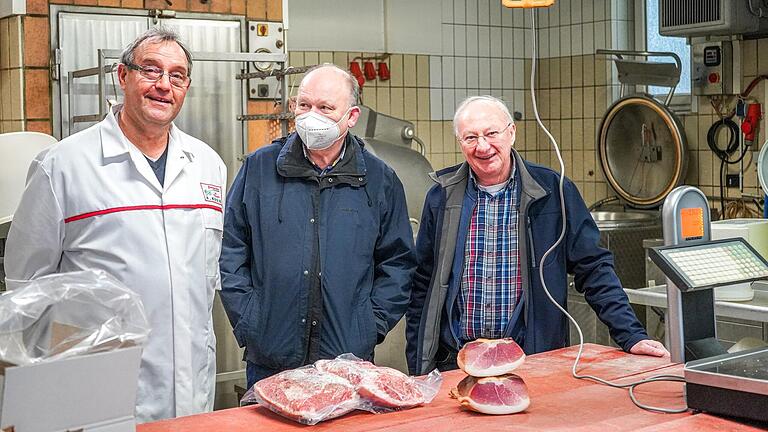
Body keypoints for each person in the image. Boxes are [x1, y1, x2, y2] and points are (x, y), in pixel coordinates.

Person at [4, 28, 226, 422]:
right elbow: (27, 288)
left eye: (177, 76)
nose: (163, 85)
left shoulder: (208, 165)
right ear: (122, 77)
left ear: (186, 86)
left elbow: (205, 279)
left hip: (193, 384)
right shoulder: (62, 166)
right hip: (97, 386)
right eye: (151, 70)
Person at [406, 96, 668, 375]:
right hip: (456, 362)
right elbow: (422, 283)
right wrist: (418, 365)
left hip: (533, 360)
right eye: (470, 137)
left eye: (492, 133)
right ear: (460, 142)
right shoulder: (442, 196)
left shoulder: (553, 191)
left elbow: (594, 269)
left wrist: (632, 335)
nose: (482, 146)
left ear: (512, 132)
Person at [219, 64, 416, 388]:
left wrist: (368, 326)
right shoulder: (259, 169)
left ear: (351, 116)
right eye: (304, 105)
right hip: (270, 360)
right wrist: (250, 321)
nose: (312, 116)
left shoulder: (379, 180)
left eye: (325, 108)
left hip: (347, 364)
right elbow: (231, 250)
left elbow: (398, 264)